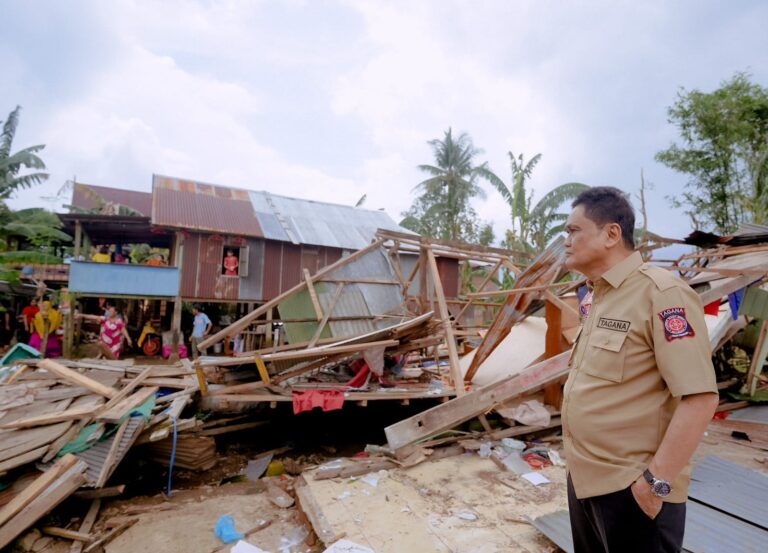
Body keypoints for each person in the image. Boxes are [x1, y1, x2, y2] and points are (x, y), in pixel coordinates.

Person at [561, 187, 719, 552]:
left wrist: (655, 484)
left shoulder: (661, 294)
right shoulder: (597, 296)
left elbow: (699, 398)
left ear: (611, 234)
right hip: (587, 480)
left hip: (632, 490)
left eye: (574, 230)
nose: (566, 241)